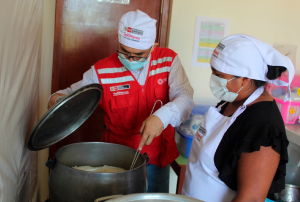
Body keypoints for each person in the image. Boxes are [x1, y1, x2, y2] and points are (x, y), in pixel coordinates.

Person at [48, 9, 194, 193]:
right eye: (124, 52)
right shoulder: (101, 71)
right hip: (117, 158)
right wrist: (57, 101)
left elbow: (185, 96)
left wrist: (162, 117)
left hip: (157, 156)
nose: (130, 59)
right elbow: (69, 94)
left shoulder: (168, 61)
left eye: (139, 54)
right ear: (118, 39)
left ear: (153, 46)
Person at [182, 34, 294, 202]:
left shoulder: (264, 126)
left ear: (245, 79)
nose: (213, 78)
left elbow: (251, 198)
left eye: (219, 74)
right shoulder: (230, 100)